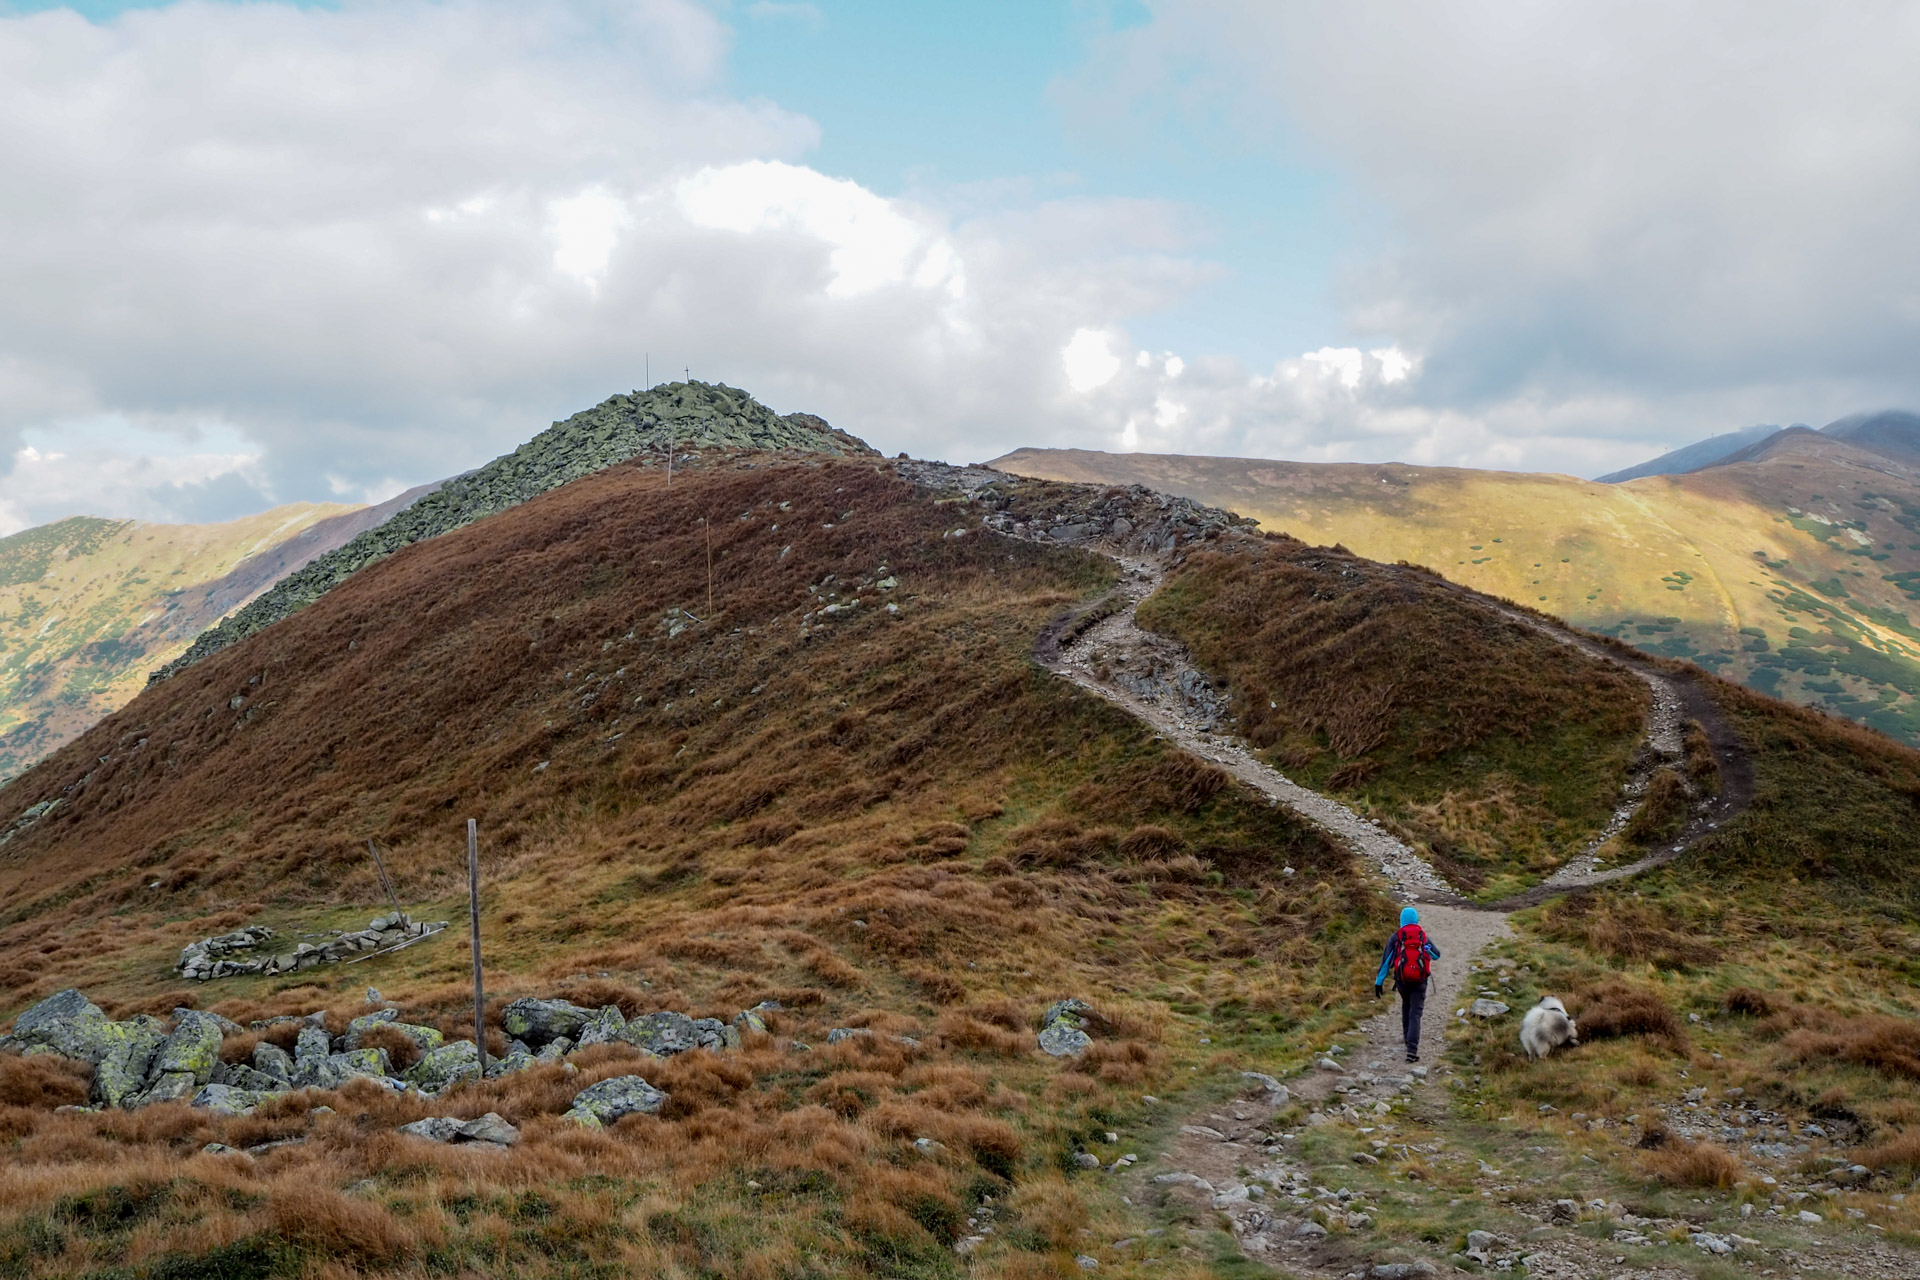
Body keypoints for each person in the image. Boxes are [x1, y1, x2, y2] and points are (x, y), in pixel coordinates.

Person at [1374, 906, 1441, 1063]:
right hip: (1420, 981)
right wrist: (1426, 949)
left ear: (1401, 921)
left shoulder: (1396, 937)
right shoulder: (1422, 936)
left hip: (1402, 981)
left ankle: (1407, 1037)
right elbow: (1436, 955)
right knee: (1415, 1013)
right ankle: (1412, 1050)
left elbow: (1386, 962)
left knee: (1406, 1005)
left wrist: (1379, 982)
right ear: (1416, 919)